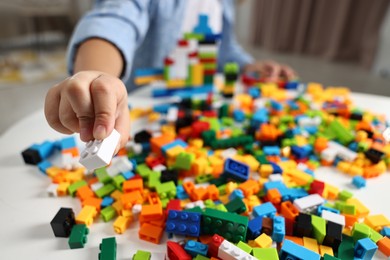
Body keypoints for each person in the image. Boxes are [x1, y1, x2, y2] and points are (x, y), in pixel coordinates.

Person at [44, 0, 296, 150]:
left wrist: (248, 66)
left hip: (195, 108)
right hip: (142, 108)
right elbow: (114, 22)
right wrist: (96, 75)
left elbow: (224, 48)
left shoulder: (223, 4)